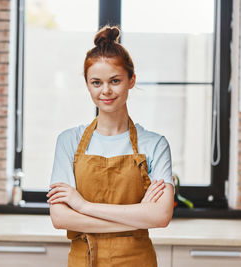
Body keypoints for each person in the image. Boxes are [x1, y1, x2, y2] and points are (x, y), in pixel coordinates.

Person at [46, 25, 175, 267]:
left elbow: (160, 215)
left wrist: (82, 206)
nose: (106, 90)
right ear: (87, 84)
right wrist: (138, 216)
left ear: (131, 80)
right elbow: (60, 217)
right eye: (96, 82)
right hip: (84, 260)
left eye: (115, 80)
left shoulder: (155, 144)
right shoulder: (68, 141)